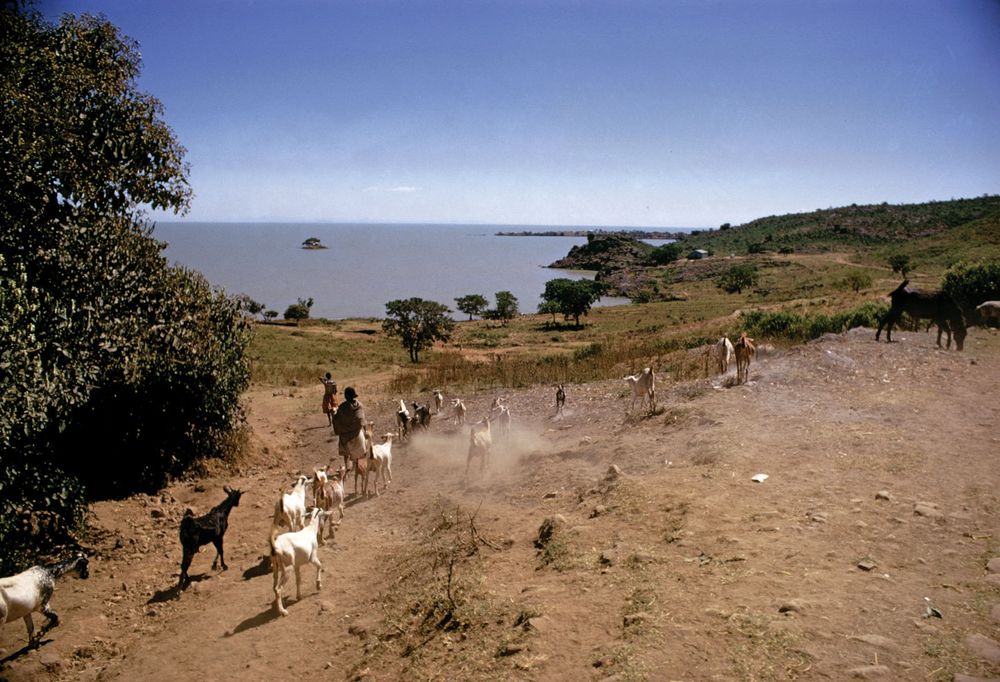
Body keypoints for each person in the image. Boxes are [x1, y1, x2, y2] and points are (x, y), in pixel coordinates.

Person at [332, 386, 366, 474]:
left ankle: (347, 466)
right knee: (359, 451)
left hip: (345, 435)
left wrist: (334, 413)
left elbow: (337, 418)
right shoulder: (359, 406)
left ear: (346, 396)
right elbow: (361, 420)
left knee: (345, 451)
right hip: (357, 434)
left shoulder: (342, 407)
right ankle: (356, 466)